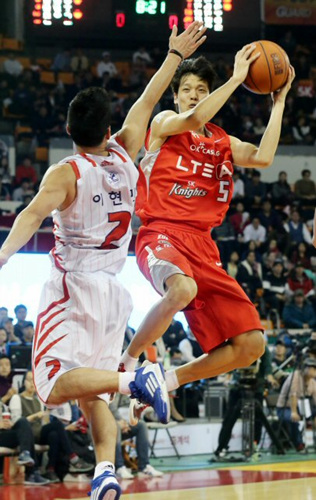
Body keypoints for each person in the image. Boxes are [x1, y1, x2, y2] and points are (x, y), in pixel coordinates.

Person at [0, 22, 206, 500]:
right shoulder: (125, 156)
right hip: (115, 291)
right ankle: (105, 473)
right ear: (109, 131)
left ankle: (136, 379)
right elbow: (147, 103)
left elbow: (31, 216)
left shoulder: (67, 171)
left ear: (69, 130)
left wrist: (4, 254)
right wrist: (173, 55)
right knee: (92, 396)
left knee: (51, 386)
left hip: (73, 284)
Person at [120, 45, 295, 416]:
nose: (194, 95)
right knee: (182, 288)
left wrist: (278, 103)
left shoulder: (222, 140)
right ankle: (129, 363)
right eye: (187, 89)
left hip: (203, 246)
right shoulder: (165, 122)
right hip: (161, 233)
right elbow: (195, 116)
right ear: (176, 94)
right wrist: (236, 78)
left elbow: (263, 157)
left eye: (201, 89)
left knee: (251, 346)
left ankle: (168, 381)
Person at [276, 357, 316, 452]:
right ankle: (298, 444)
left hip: (302, 408)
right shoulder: (295, 376)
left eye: (314, 368)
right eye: (310, 367)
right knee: (293, 419)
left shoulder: (313, 382)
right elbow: (293, 395)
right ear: (304, 368)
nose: (312, 370)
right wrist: (294, 412)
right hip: (285, 408)